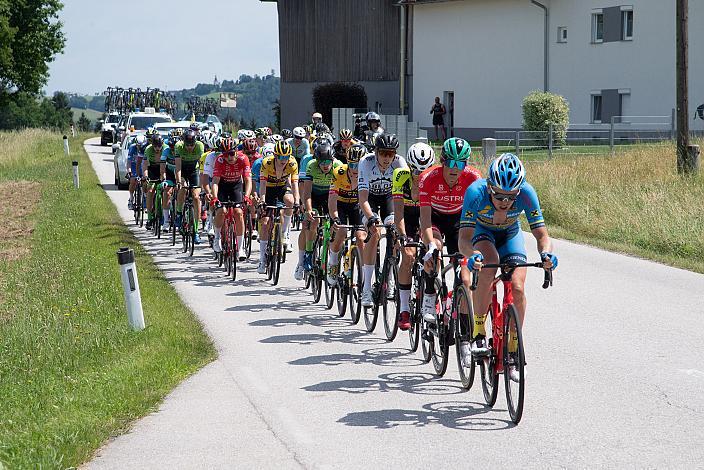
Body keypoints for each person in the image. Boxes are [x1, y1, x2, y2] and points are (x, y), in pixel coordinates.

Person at [459, 153, 557, 373]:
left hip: (511, 235)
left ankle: (513, 347)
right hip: (482, 234)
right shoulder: (476, 192)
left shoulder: (527, 193)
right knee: (489, 262)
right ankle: (478, 333)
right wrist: (472, 255)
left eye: (511, 197)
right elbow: (463, 239)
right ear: (490, 187)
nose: (505, 202)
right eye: (499, 196)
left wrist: (546, 255)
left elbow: (542, 236)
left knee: (518, 287)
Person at [418, 137, 481, 333]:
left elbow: (478, 218)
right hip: (435, 218)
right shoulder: (428, 178)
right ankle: (429, 296)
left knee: (464, 274)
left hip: (458, 220)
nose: (455, 168)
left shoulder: (474, 178)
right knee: (434, 250)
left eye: (460, 163)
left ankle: (464, 324)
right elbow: (425, 222)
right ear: (443, 161)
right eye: (451, 162)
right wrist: (429, 246)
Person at [357, 133, 408, 307]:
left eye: (390, 154)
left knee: (394, 231)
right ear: (376, 152)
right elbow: (362, 198)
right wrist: (371, 218)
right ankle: (366, 288)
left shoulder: (400, 163)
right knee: (375, 232)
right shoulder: (366, 162)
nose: (387, 158)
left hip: (389, 198)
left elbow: (403, 197)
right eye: (384, 153)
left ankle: (391, 279)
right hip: (369, 198)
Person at [393, 142, 435, 330]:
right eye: (416, 171)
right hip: (407, 216)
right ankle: (404, 309)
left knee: (434, 255)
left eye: (424, 171)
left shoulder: (434, 179)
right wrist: (402, 236)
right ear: (409, 168)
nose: (420, 175)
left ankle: (429, 297)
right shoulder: (400, 176)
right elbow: (398, 213)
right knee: (408, 255)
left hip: (427, 217)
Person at [299, 142, 342, 280]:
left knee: (336, 224)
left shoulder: (338, 166)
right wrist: (309, 210)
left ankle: (332, 252)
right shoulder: (311, 166)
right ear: (317, 161)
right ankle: (309, 252)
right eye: (322, 162)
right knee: (314, 219)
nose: (325, 165)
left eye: (328, 161)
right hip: (315, 195)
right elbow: (307, 193)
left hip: (331, 196)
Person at [258, 140, 299, 274]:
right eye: (281, 157)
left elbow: (294, 185)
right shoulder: (266, 163)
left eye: (286, 157)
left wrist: (297, 201)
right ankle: (262, 259)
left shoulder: (292, 163)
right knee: (265, 223)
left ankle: (285, 233)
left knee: (290, 201)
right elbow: (262, 185)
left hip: (282, 187)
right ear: (275, 156)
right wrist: (262, 200)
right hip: (268, 189)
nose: (284, 160)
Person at [327, 144, 367, 285]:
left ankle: (364, 273)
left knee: (361, 237)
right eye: (352, 165)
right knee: (342, 230)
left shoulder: (367, 173)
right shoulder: (339, 172)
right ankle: (333, 263)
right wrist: (335, 218)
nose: (355, 170)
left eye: (358, 166)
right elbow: (332, 200)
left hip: (357, 205)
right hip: (340, 205)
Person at [211, 137, 252, 261]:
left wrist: (246, 196)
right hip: (222, 186)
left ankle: (240, 248)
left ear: (236, 151)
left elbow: (247, 180)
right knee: (221, 211)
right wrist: (215, 198)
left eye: (231, 154)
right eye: (225, 154)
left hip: (236, 186)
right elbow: (215, 182)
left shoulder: (243, 158)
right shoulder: (220, 160)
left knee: (239, 213)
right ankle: (217, 238)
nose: (229, 157)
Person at [175, 129, 205, 244]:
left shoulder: (199, 146)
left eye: (191, 145)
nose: (189, 147)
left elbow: (202, 168)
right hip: (182, 171)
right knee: (182, 188)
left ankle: (196, 231)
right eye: (187, 145)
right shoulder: (179, 146)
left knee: (196, 197)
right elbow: (178, 168)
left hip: (194, 171)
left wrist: (202, 185)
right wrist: (179, 181)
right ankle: (178, 213)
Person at [143, 133, 165, 230]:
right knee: (150, 190)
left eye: (159, 146)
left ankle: (166, 215)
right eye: (155, 146)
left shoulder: (166, 148)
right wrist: (146, 176)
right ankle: (150, 218)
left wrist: (163, 176)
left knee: (165, 190)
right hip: (152, 169)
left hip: (163, 169)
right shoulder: (148, 149)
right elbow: (144, 165)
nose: (157, 148)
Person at [127, 134, 147, 210]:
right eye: (138, 145)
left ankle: (145, 197)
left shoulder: (145, 148)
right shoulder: (132, 148)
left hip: (143, 167)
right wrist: (129, 171)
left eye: (140, 145)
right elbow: (128, 162)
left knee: (145, 182)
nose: (139, 147)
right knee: (133, 180)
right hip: (134, 166)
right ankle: (131, 199)